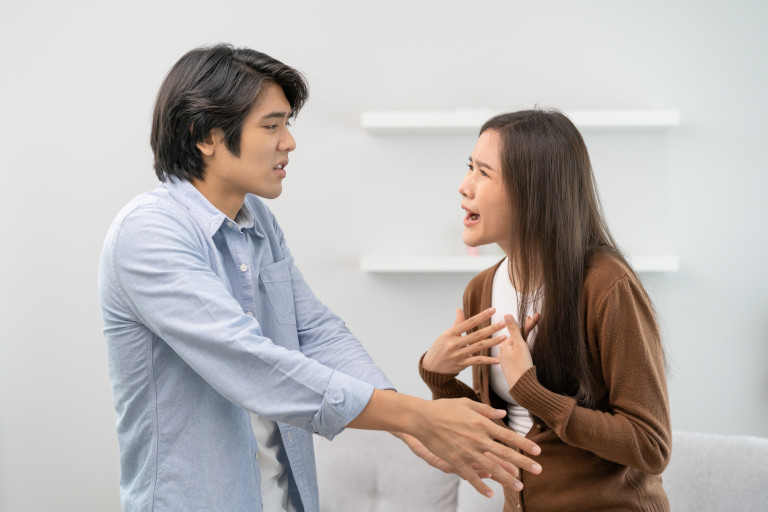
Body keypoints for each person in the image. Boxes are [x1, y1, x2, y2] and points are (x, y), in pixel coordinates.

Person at [97, 44, 542, 512]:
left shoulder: (259, 224)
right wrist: (421, 416)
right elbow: (247, 362)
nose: (289, 141)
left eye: (287, 123)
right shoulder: (148, 233)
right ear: (204, 136)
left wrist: (405, 424)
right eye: (271, 125)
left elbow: (314, 332)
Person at [419, 109, 672, 511]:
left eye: (483, 173)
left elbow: (651, 445)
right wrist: (438, 376)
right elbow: (495, 428)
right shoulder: (481, 291)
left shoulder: (606, 287)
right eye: (469, 167)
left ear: (533, 191)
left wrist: (534, 393)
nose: (464, 187)